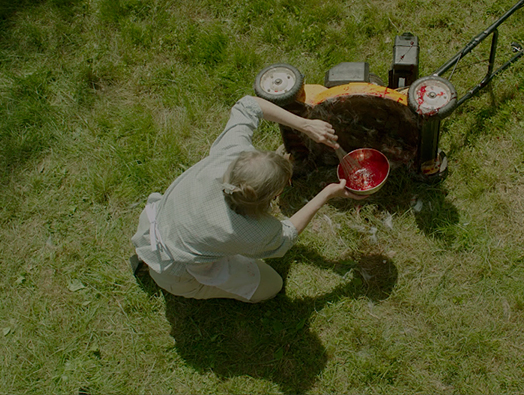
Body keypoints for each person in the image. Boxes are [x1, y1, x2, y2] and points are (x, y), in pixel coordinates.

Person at [130, 95, 364, 302]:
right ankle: (184, 285)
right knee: (271, 286)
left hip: (158, 223)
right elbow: (286, 237)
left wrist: (305, 125)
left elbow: (249, 104)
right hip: (175, 271)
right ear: (272, 195)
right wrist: (325, 195)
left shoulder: (229, 153)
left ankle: (160, 258)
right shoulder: (249, 231)